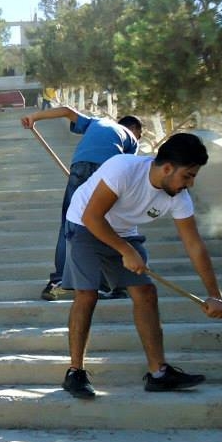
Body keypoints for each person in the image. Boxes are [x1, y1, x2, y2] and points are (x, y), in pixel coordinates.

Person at [59, 133, 222, 399]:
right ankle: (75, 372)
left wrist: (214, 294)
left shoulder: (178, 197)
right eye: (188, 176)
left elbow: (194, 245)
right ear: (168, 168)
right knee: (87, 293)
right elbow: (93, 217)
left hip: (124, 231)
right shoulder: (123, 168)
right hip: (84, 224)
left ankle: (158, 373)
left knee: (146, 293)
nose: (191, 184)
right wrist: (126, 251)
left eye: (194, 177)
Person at [21, 106, 143, 301]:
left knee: (69, 225)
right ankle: (106, 283)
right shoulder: (131, 139)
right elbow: (127, 172)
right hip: (108, 173)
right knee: (104, 224)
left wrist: (33, 116)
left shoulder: (98, 122)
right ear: (135, 129)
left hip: (80, 165)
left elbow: (66, 110)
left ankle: (58, 282)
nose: (139, 138)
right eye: (140, 134)